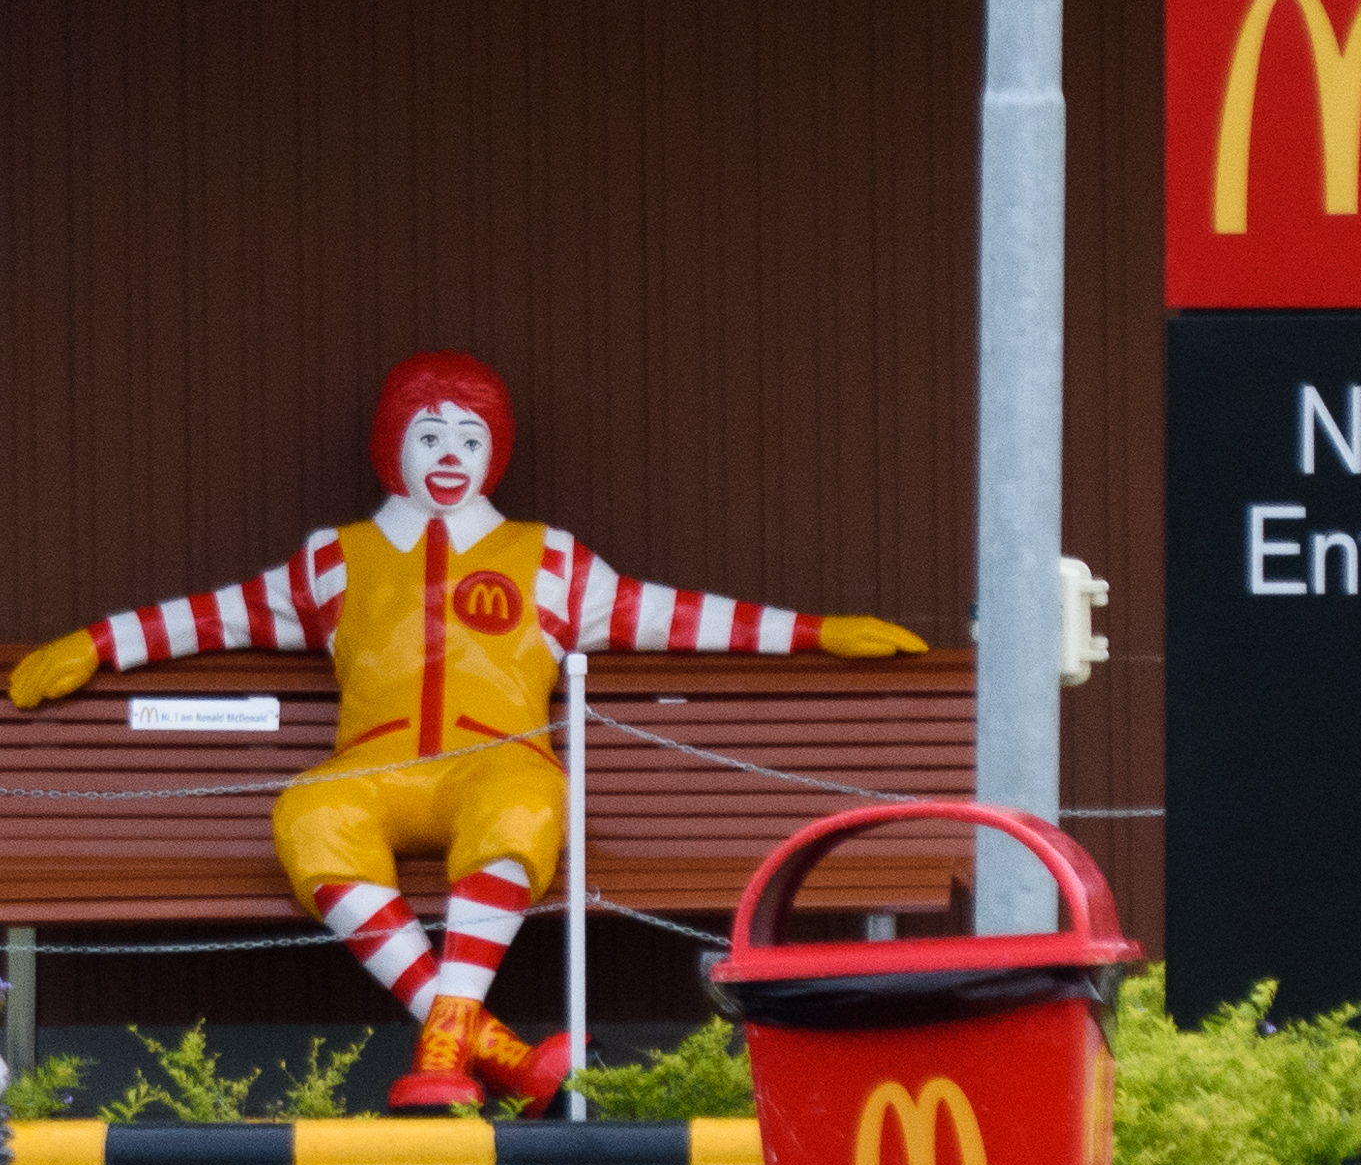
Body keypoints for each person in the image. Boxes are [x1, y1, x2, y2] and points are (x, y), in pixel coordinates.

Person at [7, 352, 925, 1113]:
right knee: (310, 814)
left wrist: (816, 633)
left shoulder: (551, 561)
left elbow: (678, 616)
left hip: (498, 762)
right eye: (430, 434)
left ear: (497, 454)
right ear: (392, 447)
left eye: (471, 438)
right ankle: (486, 1045)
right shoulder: (335, 561)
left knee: (524, 809)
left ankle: (449, 1047)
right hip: (374, 769)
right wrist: (98, 643)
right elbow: (216, 615)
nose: (450, 455)